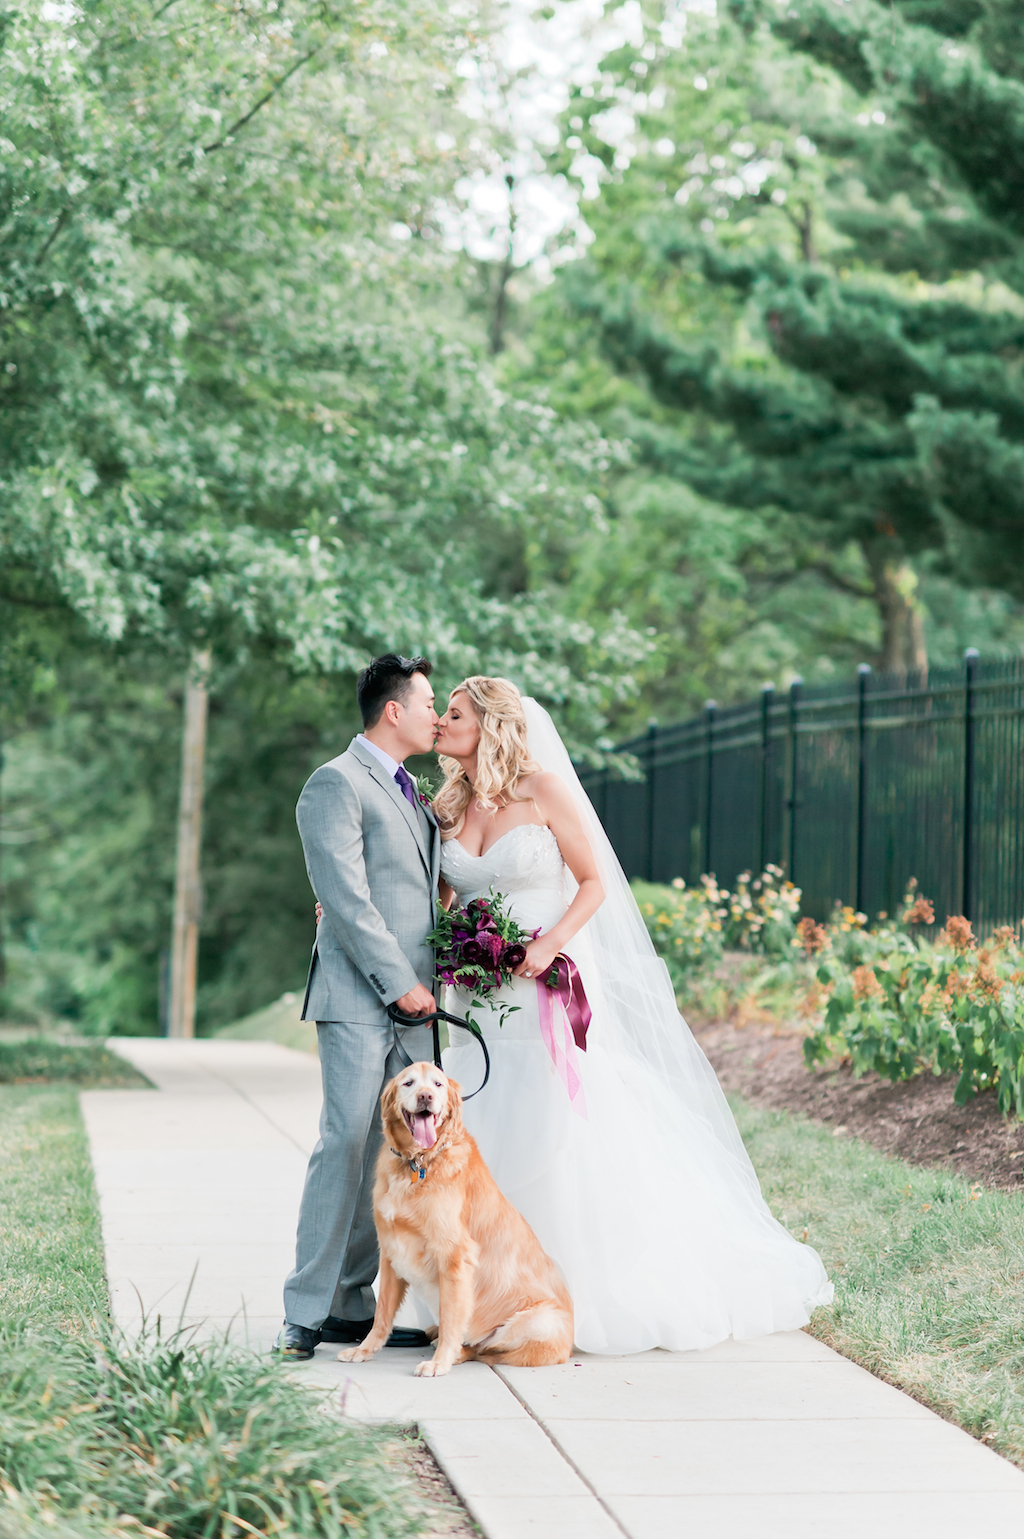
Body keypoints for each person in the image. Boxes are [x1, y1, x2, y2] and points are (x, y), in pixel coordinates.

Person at [433, 676, 832, 1355]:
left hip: (542, 986)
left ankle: (562, 1290)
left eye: (455, 712)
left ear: (492, 724)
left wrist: (548, 944)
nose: (442, 721)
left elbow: (591, 883)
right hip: (477, 996)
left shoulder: (545, 791)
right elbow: (439, 900)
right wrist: (454, 948)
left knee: (551, 1122)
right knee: (481, 1121)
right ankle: (480, 1297)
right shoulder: (451, 803)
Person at [275, 654, 441, 1360]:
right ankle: (305, 1311)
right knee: (345, 1140)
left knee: (403, 1150)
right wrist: (398, 979)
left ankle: (352, 1301)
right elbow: (343, 895)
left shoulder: (414, 792)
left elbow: (413, 888)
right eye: (429, 701)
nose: (437, 714)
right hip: (359, 995)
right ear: (394, 709)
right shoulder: (334, 783)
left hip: (422, 1002)